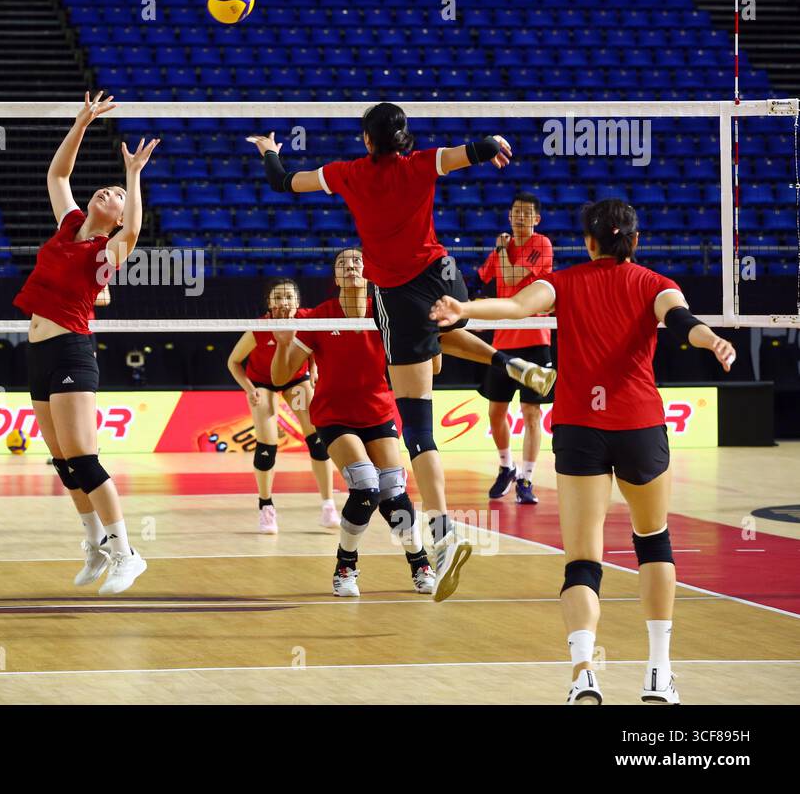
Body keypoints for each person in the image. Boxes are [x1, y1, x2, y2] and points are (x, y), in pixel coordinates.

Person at [430, 198, 736, 704]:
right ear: (634, 241)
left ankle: (582, 673)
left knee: (582, 561)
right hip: (638, 426)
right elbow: (682, 321)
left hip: (578, 428)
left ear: (587, 241)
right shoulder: (655, 283)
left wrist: (464, 309)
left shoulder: (564, 283)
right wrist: (711, 342)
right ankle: (658, 672)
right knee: (653, 541)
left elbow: (515, 307)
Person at [249, 103, 554, 602]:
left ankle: (442, 533)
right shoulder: (421, 163)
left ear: (367, 142)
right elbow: (469, 153)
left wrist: (269, 153)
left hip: (394, 291)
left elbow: (284, 183)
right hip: (441, 275)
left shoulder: (346, 173)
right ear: (405, 138)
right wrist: (493, 145)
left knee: (419, 430)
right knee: (445, 325)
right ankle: (504, 359)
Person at [13, 91, 156, 595]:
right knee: (62, 459)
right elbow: (57, 176)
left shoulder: (107, 249)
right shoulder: (70, 225)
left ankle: (126, 552)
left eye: (115, 194)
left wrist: (134, 174)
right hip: (38, 352)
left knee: (84, 456)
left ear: (117, 215)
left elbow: (136, 230)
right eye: (107, 188)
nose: (107, 192)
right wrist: (81, 122)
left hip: (73, 349)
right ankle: (95, 543)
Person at [271, 248, 436, 597]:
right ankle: (345, 565)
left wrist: (428, 335)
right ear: (335, 277)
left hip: (378, 413)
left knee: (393, 490)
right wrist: (283, 345)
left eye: (358, 261)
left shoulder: (386, 314)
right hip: (333, 415)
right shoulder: (319, 317)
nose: (351, 266)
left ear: (369, 272)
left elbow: (432, 366)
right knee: (365, 485)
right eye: (343, 263)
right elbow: (281, 375)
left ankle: (419, 563)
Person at [225, 279, 338, 533]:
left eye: (288, 297)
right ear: (270, 303)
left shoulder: (307, 320)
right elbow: (233, 362)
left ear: (297, 302)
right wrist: (250, 389)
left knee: (318, 439)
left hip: (295, 379)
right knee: (267, 445)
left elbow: (315, 348)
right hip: (262, 383)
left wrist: (314, 369)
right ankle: (266, 507)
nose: (283, 301)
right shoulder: (261, 327)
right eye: (277, 297)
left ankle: (328, 505)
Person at [476, 192, 555, 503]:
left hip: (535, 340)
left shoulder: (541, 245)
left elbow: (509, 275)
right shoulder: (501, 250)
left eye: (526, 213)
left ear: (536, 219)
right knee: (496, 411)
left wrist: (499, 249)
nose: (519, 217)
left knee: (531, 411)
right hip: (502, 342)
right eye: (515, 212)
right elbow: (485, 279)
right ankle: (506, 466)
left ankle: (527, 478)